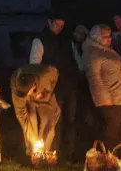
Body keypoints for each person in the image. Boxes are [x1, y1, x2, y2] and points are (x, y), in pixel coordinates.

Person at [28, 14, 84, 161]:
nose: (60, 28)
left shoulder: (67, 40)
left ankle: (69, 152)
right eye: (57, 25)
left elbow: (77, 59)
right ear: (49, 22)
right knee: (53, 121)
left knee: (70, 120)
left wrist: (79, 73)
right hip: (51, 88)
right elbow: (35, 65)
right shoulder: (40, 40)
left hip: (69, 84)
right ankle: (54, 152)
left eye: (62, 25)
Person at [82, 24, 121, 147]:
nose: (109, 39)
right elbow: (95, 78)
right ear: (97, 37)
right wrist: (104, 100)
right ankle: (107, 158)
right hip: (110, 99)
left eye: (109, 36)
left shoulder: (109, 51)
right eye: (105, 37)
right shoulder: (92, 53)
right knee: (111, 131)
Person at [10, 63, 61, 155]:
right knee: (30, 119)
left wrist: (45, 94)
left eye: (26, 93)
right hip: (29, 94)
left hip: (44, 93)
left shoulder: (47, 74)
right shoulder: (17, 89)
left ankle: (45, 151)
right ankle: (33, 152)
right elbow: (21, 114)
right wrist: (32, 138)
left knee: (48, 119)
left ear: (33, 86)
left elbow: (55, 75)